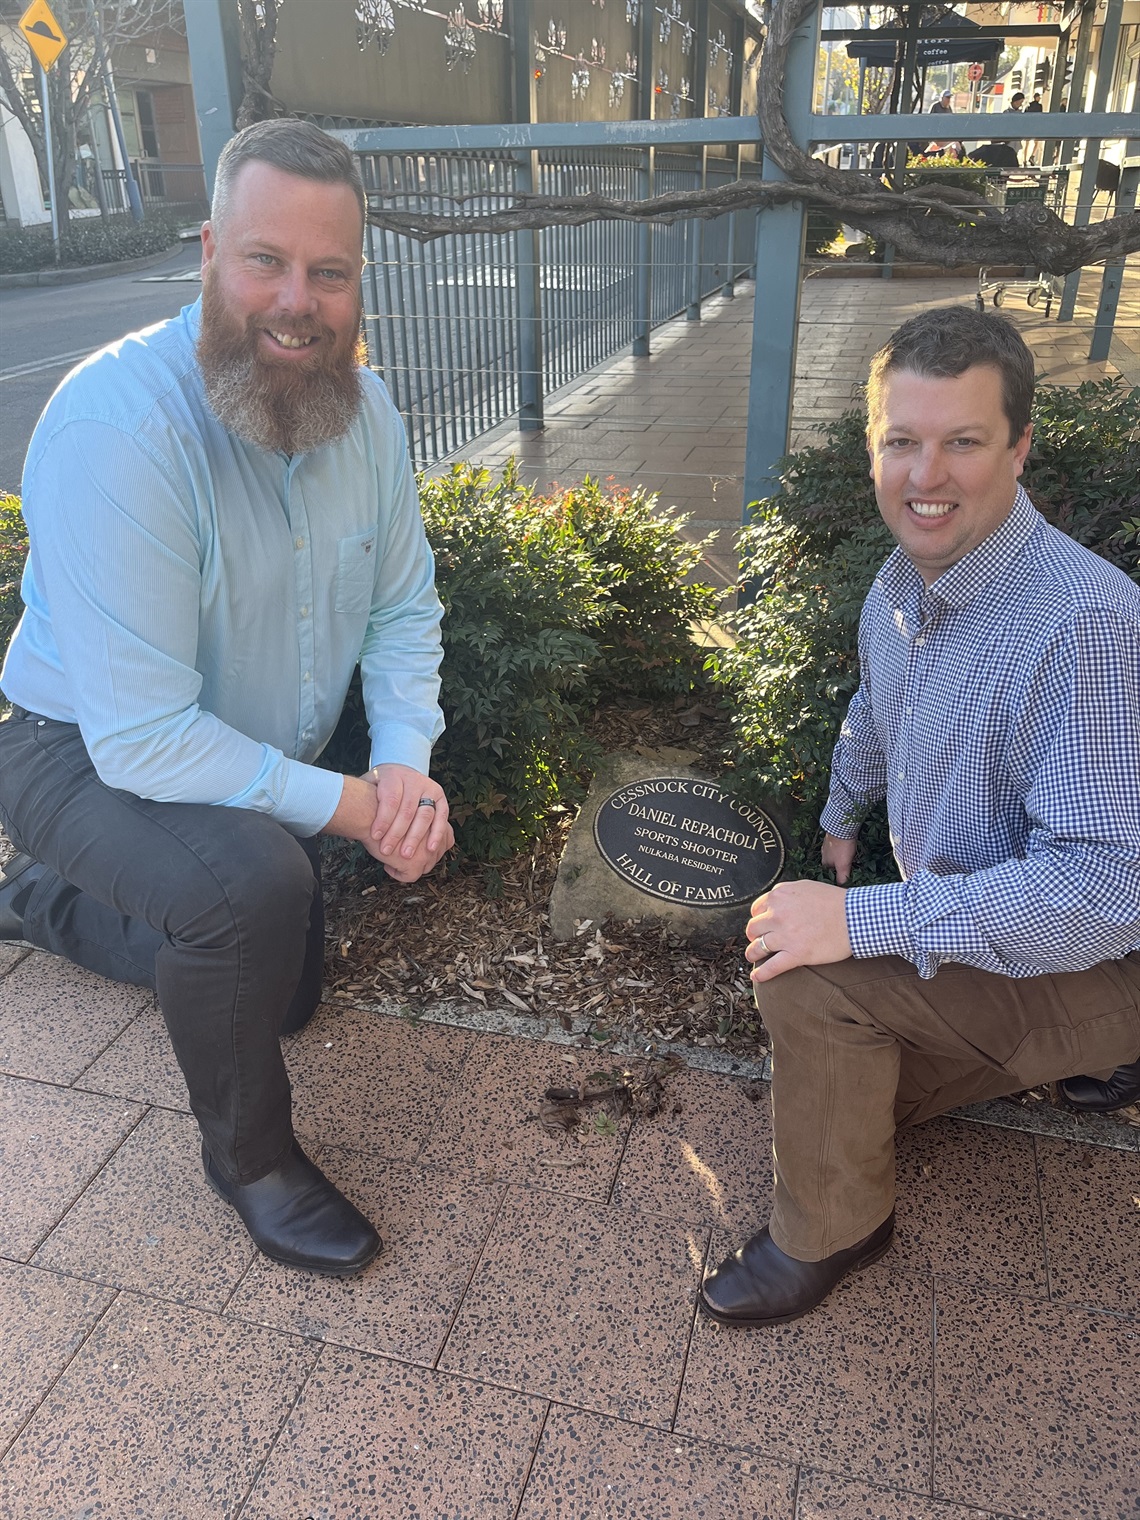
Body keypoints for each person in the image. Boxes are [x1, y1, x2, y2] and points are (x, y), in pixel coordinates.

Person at [0, 119, 454, 1278]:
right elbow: (144, 736)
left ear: (360, 280)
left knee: (284, 991)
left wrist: (403, 762)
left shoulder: (372, 416)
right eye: (265, 259)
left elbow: (404, 610)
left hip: (233, 756)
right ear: (208, 250)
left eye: (330, 270)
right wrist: (358, 810)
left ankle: (45, 906)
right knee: (255, 887)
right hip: (77, 751)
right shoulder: (121, 428)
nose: (296, 301)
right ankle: (251, 1161)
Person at [700, 307, 1140, 1328]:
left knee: (810, 988)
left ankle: (835, 1227)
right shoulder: (900, 584)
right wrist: (844, 808)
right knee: (851, 1065)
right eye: (902, 440)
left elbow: (1109, 887)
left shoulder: (1087, 624)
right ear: (875, 449)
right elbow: (875, 710)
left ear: (1020, 448)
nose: (924, 472)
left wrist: (859, 922)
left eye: (963, 440)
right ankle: (1086, 1055)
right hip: (992, 924)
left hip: (1108, 949)